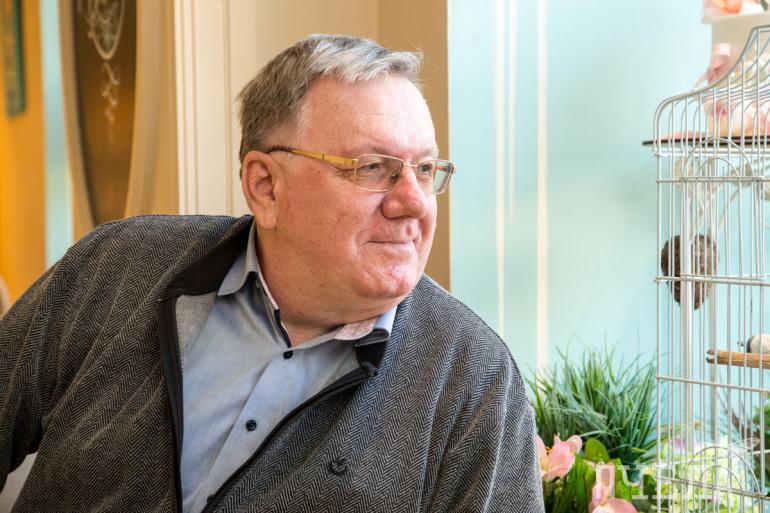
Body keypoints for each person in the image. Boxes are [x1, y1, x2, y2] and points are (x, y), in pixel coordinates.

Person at [0, 34, 543, 513]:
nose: (414, 203)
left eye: (424, 170)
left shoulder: (473, 381)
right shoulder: (116, 268)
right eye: (373, 168)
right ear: (265, 187)